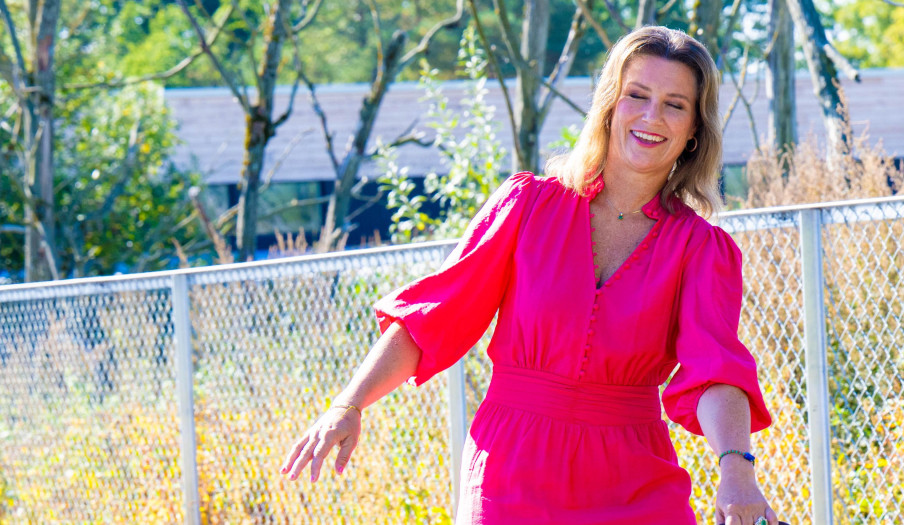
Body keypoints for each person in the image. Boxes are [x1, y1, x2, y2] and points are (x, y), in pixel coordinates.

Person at [280, 26, 779, 524]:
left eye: (675, 104)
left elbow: (715, 370)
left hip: (635, 477)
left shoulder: (702, 249)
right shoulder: (527, 206)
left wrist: (737, 469)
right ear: (609, 105)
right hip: (510, 468)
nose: (652, 116)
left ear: (695, 128)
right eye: (637, 95)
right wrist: (350, 404)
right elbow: (434, 316)